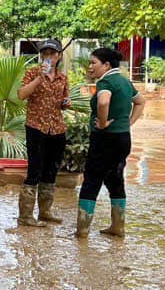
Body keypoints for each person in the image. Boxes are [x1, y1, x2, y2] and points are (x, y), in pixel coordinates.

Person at [76, 47, 145, 238]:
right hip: (123, 138)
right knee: (116, 179)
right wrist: (129, 122)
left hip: (104, 138)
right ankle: (118, 227)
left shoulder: (106, 81)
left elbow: (104, 102)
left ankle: (82, 230)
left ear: (106, 65)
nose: (90, 67)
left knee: (91, 180)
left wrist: (104, 122)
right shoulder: (124, 81)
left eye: (93, 63)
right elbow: (141, 102)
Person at [16, 39, 72, 226]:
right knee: (34, 170)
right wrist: (39, 78)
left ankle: (45, 211)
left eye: (52, 54)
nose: (48, 57)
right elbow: (22, 94)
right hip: (36, 127)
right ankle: (25, 216)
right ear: (41, 56)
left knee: (51, 170)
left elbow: (65, 100)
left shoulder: (63, 78)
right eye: (45, 53)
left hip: (56, 128)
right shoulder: (32, 73)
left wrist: (66, 102)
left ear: (58, 56)